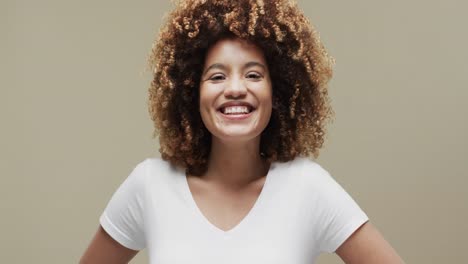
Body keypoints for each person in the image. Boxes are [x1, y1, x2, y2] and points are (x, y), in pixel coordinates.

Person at [80, 0, 404, 263]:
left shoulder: (307, 186)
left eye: (253, 75)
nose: (235, 89)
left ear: (277, 93)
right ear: (192, 93)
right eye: (217, 77)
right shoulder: (150, 185)